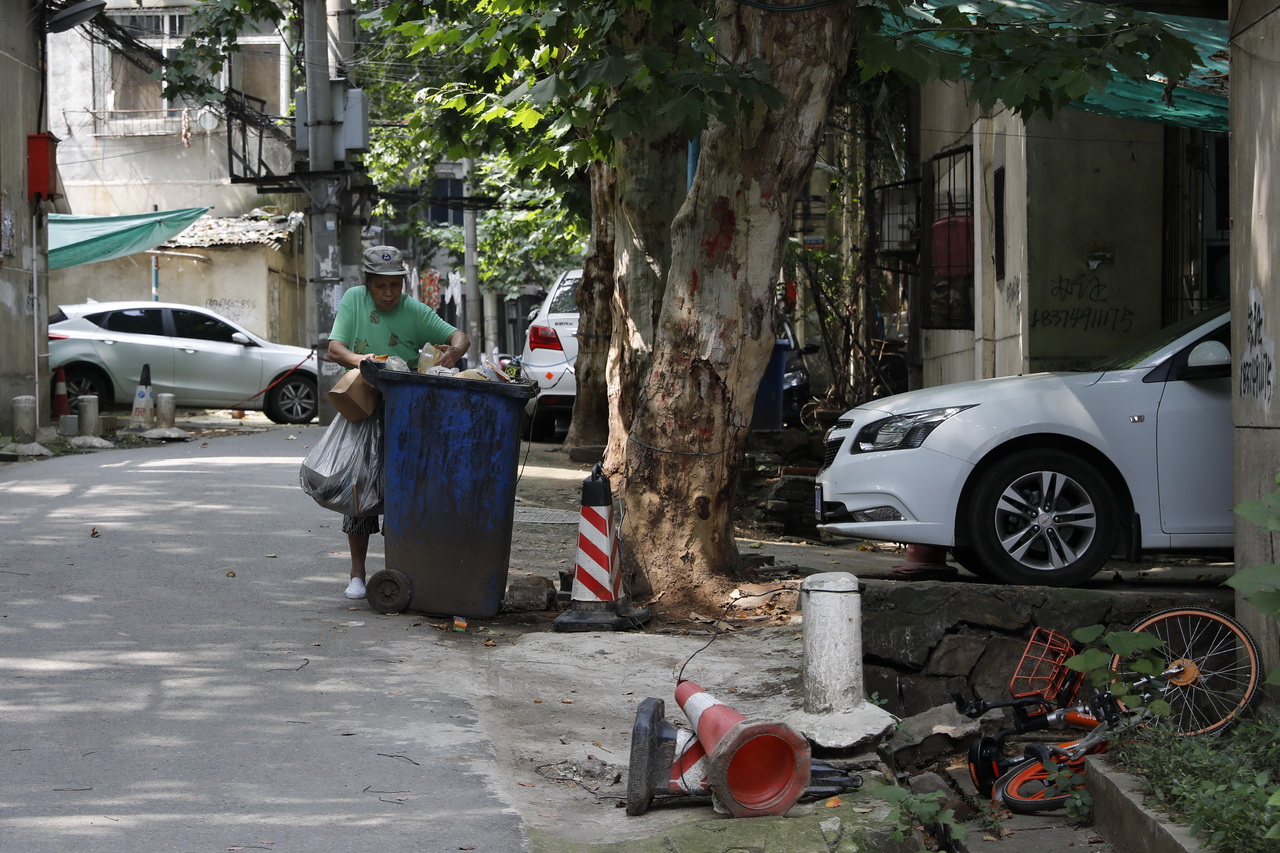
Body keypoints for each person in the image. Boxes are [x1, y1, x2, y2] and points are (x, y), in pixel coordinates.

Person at [327, 245, 470, 599]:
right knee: (359, 493)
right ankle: (357, 573)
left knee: (406, 491)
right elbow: (335, 348)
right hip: (362, 410)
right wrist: (362, 360)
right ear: (369, 283)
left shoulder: (414, 311)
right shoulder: (353, 300)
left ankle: (403, 568)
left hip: (408, 416)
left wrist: (455, 351)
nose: (388, 294)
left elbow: (459, 336)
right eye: (380, 286)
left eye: (395, 285)